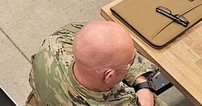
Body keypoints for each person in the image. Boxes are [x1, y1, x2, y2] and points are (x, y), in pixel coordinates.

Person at [27, 20, 166, 106]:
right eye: (130, 63)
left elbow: (93, 31)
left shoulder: (54, 44)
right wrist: (143, 86)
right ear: (109, 76)